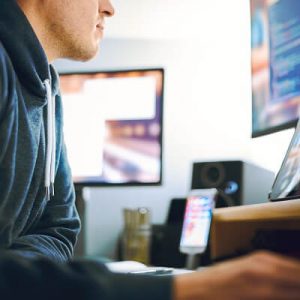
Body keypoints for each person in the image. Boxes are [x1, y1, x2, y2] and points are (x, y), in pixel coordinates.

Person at [0, 0, 300, 299]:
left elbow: (59, 231)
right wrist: (182, 289)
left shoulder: (48, 88)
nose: (109, 8)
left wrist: (24, 276)